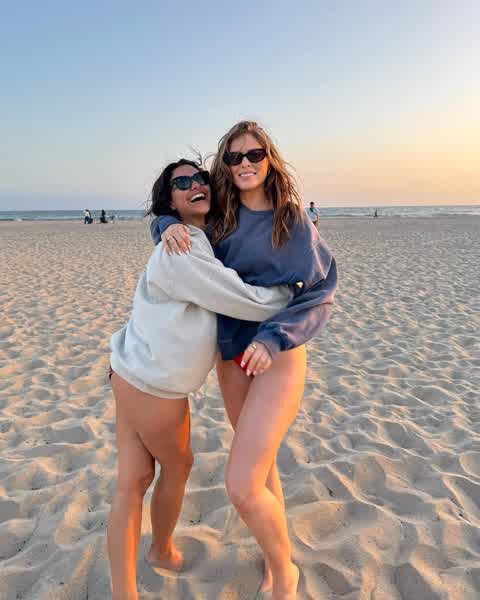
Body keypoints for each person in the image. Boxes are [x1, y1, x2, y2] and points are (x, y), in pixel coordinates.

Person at [155, 121, 338, 599]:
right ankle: (276, 557)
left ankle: (285, 575)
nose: (244, 164)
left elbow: (320, 292)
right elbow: (175, 215)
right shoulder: (219, 216)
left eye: (254, 154)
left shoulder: (291, 219)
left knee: (241, 485)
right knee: (262, 467)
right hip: (230, 354)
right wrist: (164, 224)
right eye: (233, 157)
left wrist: (274, 338)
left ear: (269, 159)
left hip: (277, 354)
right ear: (225, 165)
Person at [107, 159, 292, 600]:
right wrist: (291, 293)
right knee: (177, 466)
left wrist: (164, 224)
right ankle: (160, 549)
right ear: (169, 200)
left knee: (133, 480)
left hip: (128, 371)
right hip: (152, 384)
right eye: (183, 182)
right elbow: (241, 298)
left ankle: (127, 587)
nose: (197, 184)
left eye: (202, 178)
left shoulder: (191, 237)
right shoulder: (183, 247)